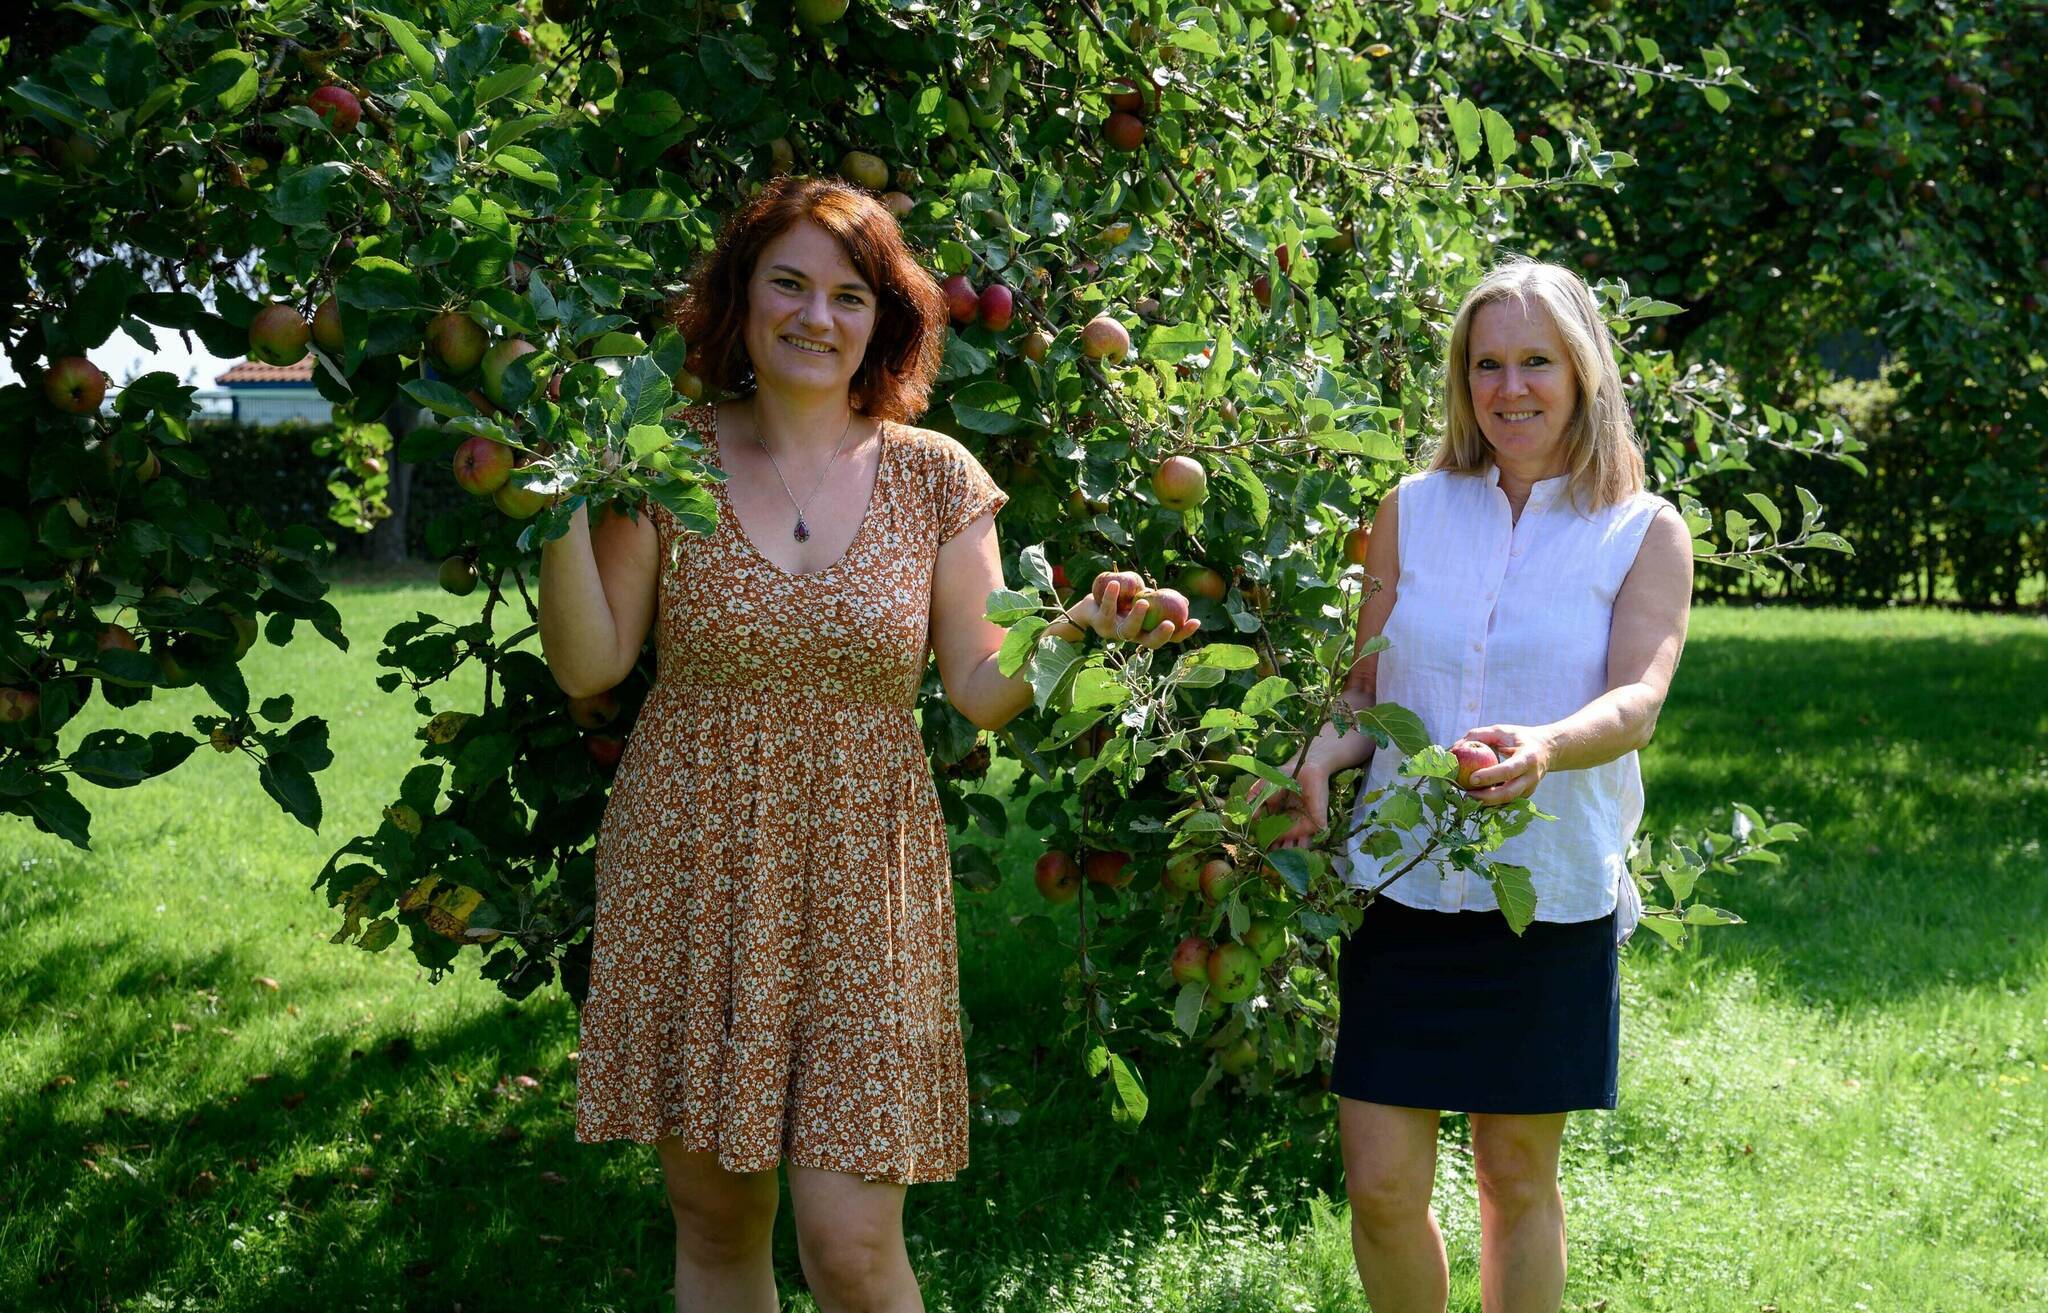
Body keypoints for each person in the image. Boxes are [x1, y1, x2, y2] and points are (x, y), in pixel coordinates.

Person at [536, 176, 1198, 1313]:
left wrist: (1079, 629)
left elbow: (981, 689)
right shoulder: (664, 459)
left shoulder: (935, 475)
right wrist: (545, 495)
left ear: (883, 319)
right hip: (691, 859)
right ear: (739, 302)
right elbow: (593, 667)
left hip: (860, 876)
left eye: (847, 294)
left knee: (849, 1247)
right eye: (785, 284)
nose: (814, 315)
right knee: (714, 1220)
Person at [1254, 257, 1693, 1312]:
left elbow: (1636, 699)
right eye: (1485, 363)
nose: (1509, 388)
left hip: (1538, 894)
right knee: (1380, 1183)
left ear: (1581, 370)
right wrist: (1319, 755)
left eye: (1534, 361)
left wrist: (1542, 744)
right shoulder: (1410, 507)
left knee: (1512, 1176)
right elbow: (1366, 694)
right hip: (1400, 884)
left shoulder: (1641, 529)